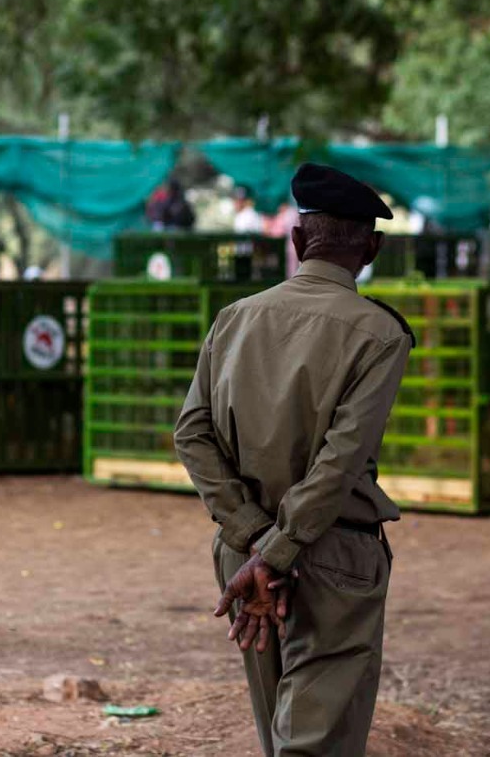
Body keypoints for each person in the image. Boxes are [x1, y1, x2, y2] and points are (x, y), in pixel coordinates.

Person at [176, 163, 412, 757]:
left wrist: (254, 541)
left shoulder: (235, 319)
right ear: (371, 248)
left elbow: (192, 435)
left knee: (278, 727)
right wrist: (277, 549)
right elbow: (339, 463)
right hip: (330, 554)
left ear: (299, 241)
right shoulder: (378, 334)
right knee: (314, 741)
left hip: (242, 557)